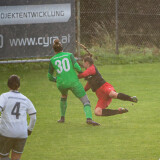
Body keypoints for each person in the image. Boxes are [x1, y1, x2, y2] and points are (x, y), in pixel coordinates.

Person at [48, 39, 100, 126]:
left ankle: (62, 118)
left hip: (61, 84)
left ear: (54, 50)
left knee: (64, 96)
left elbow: (49, 76)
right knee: (85, 101)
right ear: (62, 48)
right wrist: (82, 73)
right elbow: (77, 67)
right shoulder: (69, 55)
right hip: (73, 82)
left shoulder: (52, 60)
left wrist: (57, 80)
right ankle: (89, 119)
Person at [0, 75, 37, 160]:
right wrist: (29, 129)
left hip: (6, 132)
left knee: (2, 156)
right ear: (19, 86)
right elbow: (33, 116)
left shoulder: (4, 96)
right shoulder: (25, 99)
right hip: (22, 133)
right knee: (16, 158)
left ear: (8, 85)